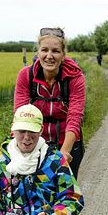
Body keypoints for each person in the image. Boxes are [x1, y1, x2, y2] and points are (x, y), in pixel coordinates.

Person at [14, 27, 86, 177]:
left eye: (55, 51)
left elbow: (75, 117)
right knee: (34, 192)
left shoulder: (75, 78)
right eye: (44, 50)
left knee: (65, 193)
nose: (49, 56)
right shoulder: (26, 76)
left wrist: (65, 152)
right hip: (36, 143)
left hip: (67, 141)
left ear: (63, 54)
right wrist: (17, 146)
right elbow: (20, 115)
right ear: (38, 52)